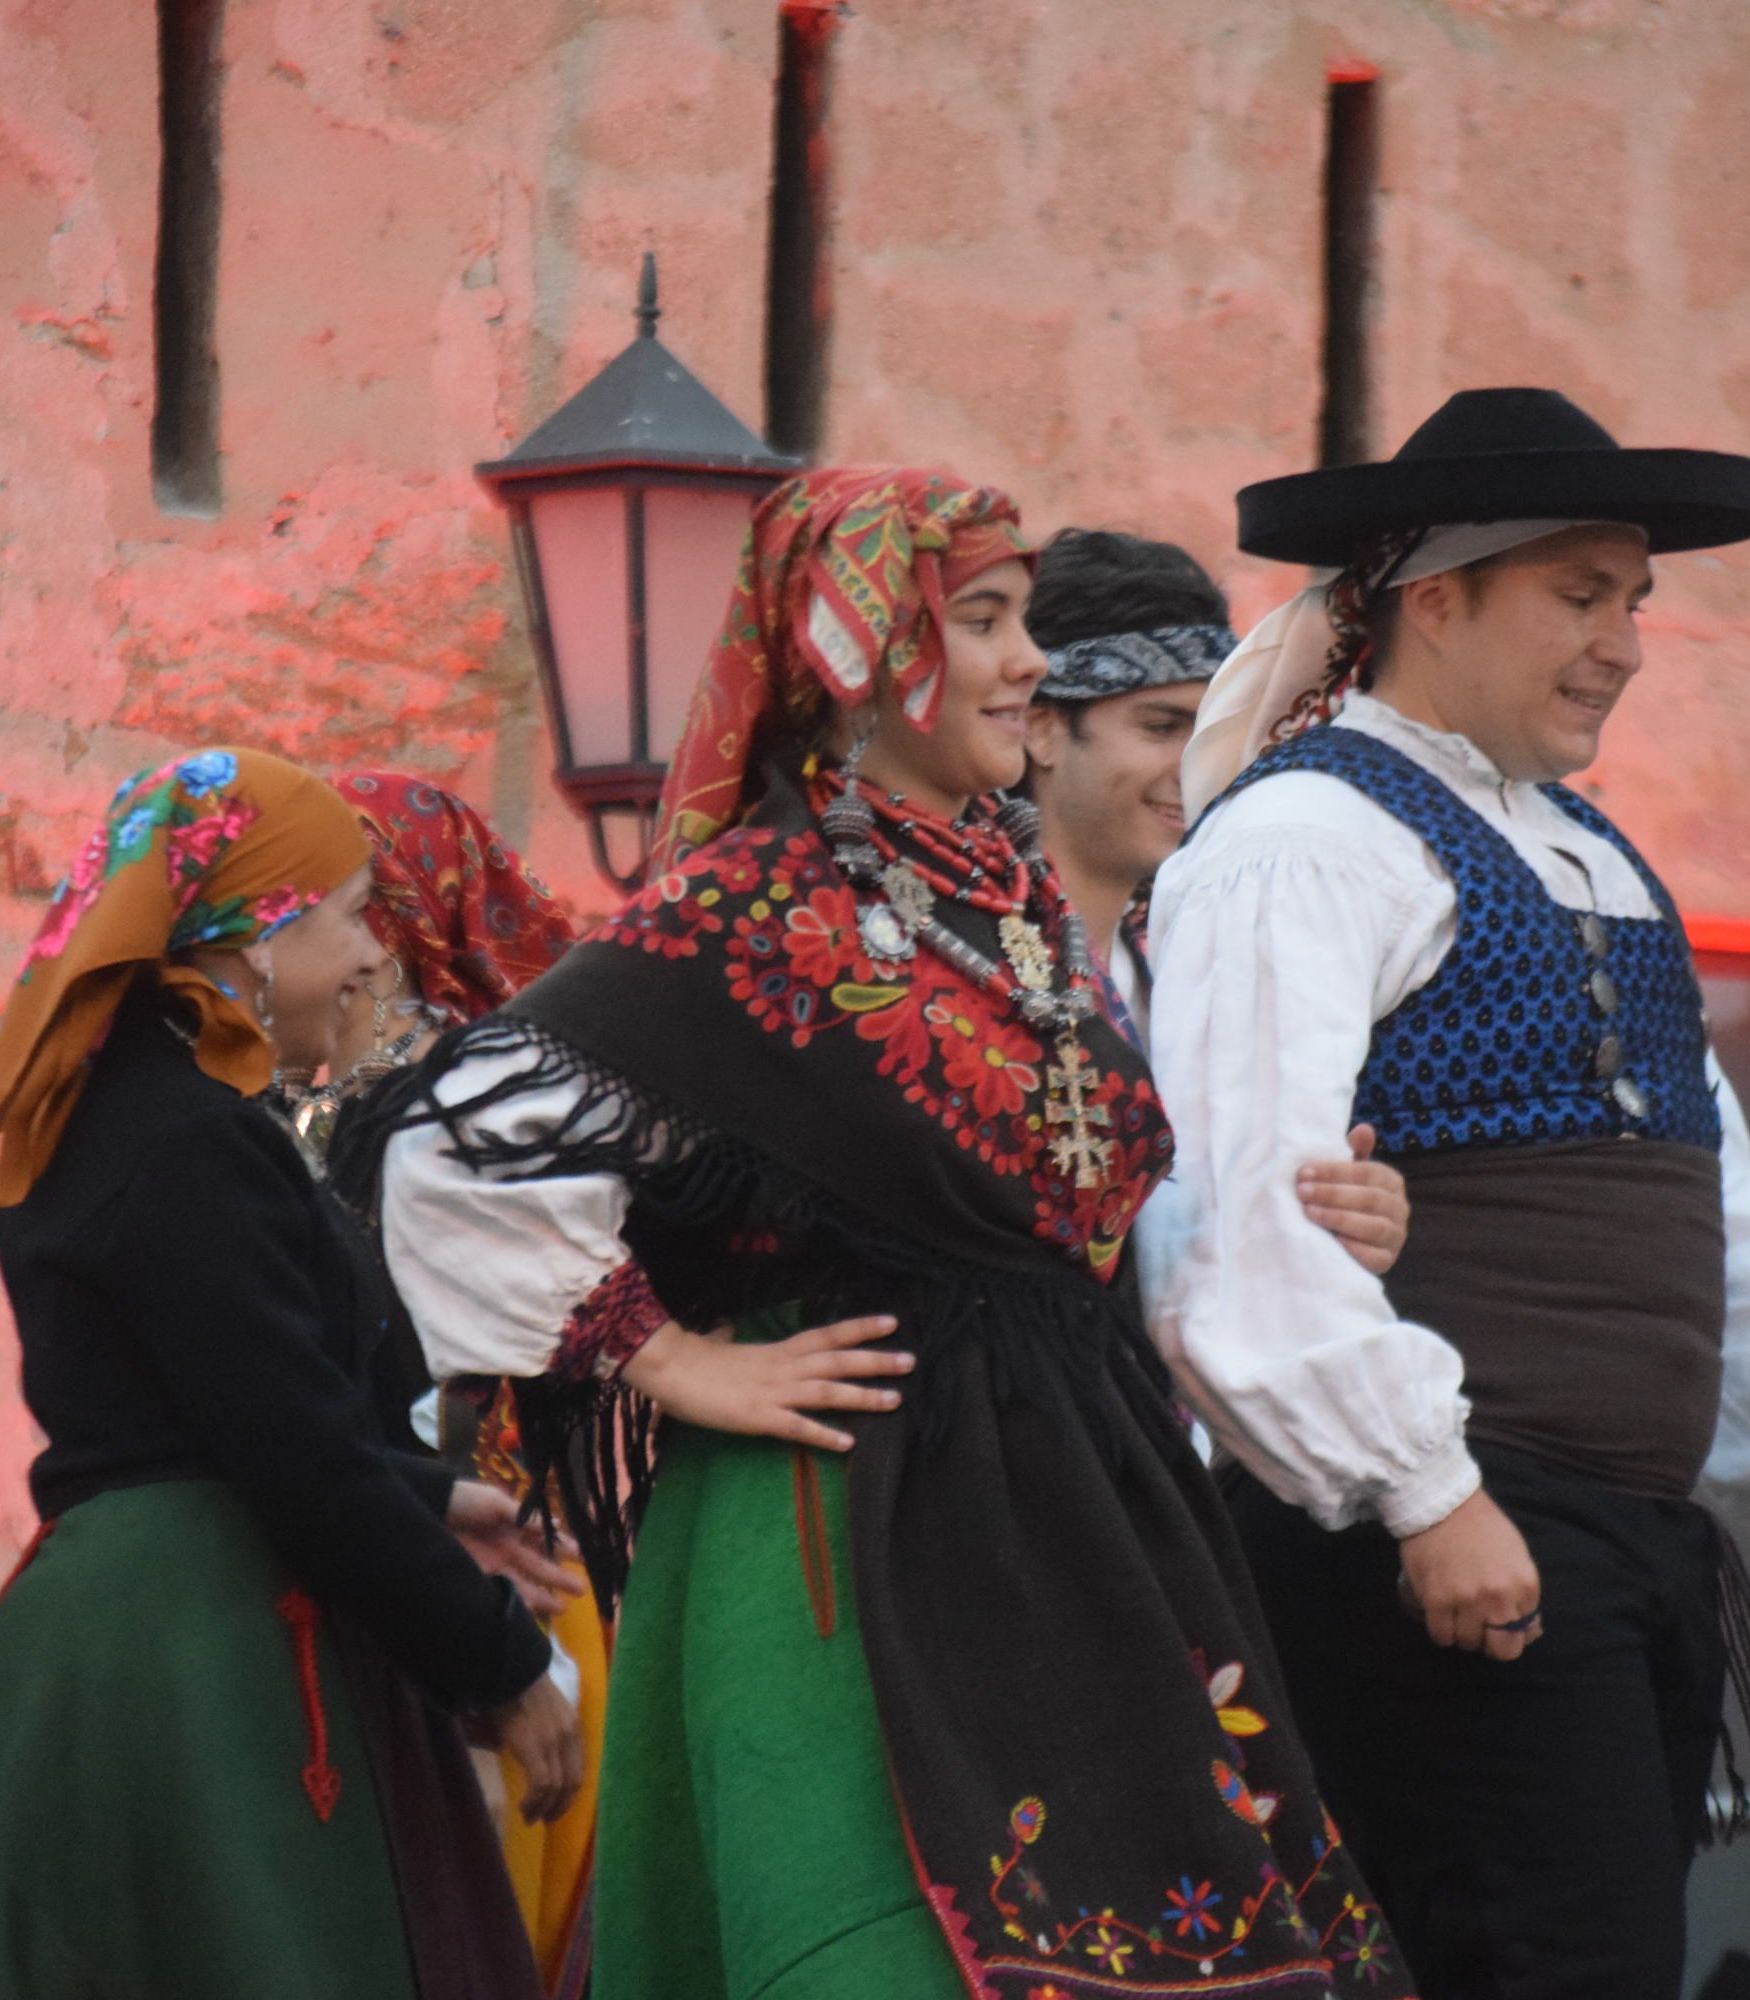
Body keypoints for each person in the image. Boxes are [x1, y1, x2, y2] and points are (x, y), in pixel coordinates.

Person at [362, 467, 1418, 1998]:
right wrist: (660, 1360)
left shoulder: (1017, 912)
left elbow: (1077, 1228)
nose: (1024, 659)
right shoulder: (741, 910)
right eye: (979, 621)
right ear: (853, 651)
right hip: (844, 1531)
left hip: (1083, 1526)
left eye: (1021, 622)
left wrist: (1320, 1222)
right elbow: (458, 1146)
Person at [1146, 388, 1750, 2000]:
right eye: (1581, 594)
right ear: (1438, 597)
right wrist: (1431, 1497)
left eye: (1634, 599)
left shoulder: (1589, 853)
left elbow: (1714, 1218)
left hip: (1609, 1539)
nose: (1626, 643)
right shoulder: (1306, 841)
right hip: (1445, 1538)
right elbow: (1237, 1223)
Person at [0, 749, 575, 2000]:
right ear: (256, 928)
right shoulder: (186, 1138)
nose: (368, 956)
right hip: (202, 1659)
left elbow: (209, 1403)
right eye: (345, 914)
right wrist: (497, 1662)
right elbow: (288, 1449)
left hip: (155, 1615)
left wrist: (429, 1494)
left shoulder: (118, 1110)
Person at [316, 767, 603, 1996]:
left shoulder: (480, 1093)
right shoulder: (284, 1079)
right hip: (407, 1519)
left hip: (494, 1534)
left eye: (363, 902)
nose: (344, 943)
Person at [1022, 525, 1408, 1271]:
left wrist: (1347, 1218)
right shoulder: (956, 952)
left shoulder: (1196, 956)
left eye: (1211, 728)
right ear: (1042, 728)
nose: (1194, 764)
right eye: (1161, 726)